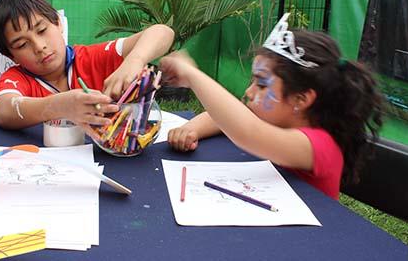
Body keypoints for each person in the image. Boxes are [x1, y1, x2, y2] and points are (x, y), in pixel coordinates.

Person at [159, 13, 384, 199]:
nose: (249, 92)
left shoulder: (319, 146)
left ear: (301, 99)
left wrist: (192, 75)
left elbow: (248, 132)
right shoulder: (278, 117)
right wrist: (192, 129)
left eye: (261, 84)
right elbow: (227, 115)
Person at [0, 0, 174, 135]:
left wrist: (135, 59)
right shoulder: (16, 78)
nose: (39, 47)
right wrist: (58, 106)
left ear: (58, 23)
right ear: (11, 56)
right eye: (22, 44)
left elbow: (163, 32)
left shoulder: (92, 58)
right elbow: (4, 111)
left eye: (42, 30)